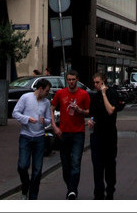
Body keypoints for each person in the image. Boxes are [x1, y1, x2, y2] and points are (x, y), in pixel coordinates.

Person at [51, 69, 91, 199]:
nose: (71, 82)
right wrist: (54, 126)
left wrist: (80, 110)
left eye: (73, 80)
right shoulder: (60, 93)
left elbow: (89, 111)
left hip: (78, 132)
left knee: (76, 161)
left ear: (77, 80)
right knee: (65, 163)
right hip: (63, 132)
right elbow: (51, 108)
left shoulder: (84, 94)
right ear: (66, 80)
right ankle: (70, 187)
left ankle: (72, 190)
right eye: (69, 80)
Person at [12, 78, 52, 200]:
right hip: (26, 136)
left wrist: (45, 121)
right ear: (40, 89)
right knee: (23, 165)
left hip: (39, 137)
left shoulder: (46, 102)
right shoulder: (26, 97)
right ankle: (25, 186)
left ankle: (33, 197)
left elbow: (49, 120)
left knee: (37, 169)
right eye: (46, 91)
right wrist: (27, 119)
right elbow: (15, 113)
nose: (47, 93)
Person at [87, 71, 121, 200]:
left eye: (98, 82)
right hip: (97, 135)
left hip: (109, 135)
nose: (95, 85)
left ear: (103, 82)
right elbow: (93, 113)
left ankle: (110, 190)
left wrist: (104, 94)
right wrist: (91, 120)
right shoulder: (94, 97)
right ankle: (98, 194)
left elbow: (110, 110)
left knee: (110, 165)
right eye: (94, 83)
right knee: (97, 166)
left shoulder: (112, 93)